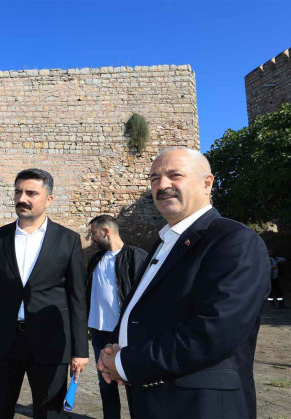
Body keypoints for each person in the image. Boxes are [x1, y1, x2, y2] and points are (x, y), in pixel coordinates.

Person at [97, 148, 270, 418]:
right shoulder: (165, 242)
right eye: (154, 178)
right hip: (154, 400)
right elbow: (143, 308)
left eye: (174, 175)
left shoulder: (233, 240)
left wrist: (125, 362)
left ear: (207, 183)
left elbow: (214, 332)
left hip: (200, 405)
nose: (162, 185)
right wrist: (114, 345)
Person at [0, 168, 88, 418]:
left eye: (31, 193)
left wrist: (80, 351)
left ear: (49, 199)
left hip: (51, 341)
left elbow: (77, 298)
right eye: (18, 192)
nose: (22, 198)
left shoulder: (68, 240)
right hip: (2, 341)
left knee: (49, 413)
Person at [86, 215, 147, 419]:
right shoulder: (96, 260)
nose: (91, 238)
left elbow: (146, 295)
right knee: (105, 383)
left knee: (133, 380)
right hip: (99, 332)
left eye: (93, 233)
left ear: (106, 232)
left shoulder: (136, 256)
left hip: (126, 333)